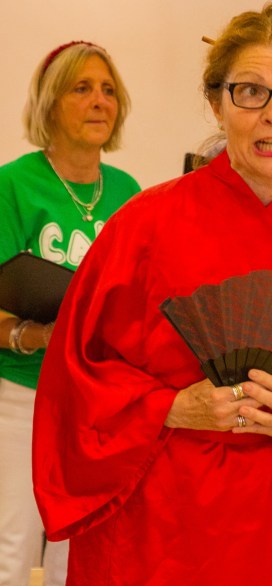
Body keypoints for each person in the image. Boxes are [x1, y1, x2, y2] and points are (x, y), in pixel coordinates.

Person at [31, 1, 272, 585]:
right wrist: (168, 407)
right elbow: (73, 373)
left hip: (259, 520)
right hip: (147, 516)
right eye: (251, 92)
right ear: (217, 102)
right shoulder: (144, 225)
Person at [0, 41, 140, 586]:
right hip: (23, 395)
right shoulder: (12, 185)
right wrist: (42, 336)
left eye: (108, 90)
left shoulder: (128, 192)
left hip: (96, 400)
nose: (99, 101)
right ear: (51, 103)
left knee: (78, 548)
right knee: (13, 546)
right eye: (82, 89)